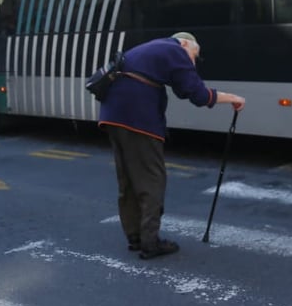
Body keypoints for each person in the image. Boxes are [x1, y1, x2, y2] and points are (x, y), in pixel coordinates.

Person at [98, 32, 245, 260]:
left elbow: (181, 88)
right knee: (152, 179)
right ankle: (150, 242)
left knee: (128, 178)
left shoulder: (156, 48)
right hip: (137, 117)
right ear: (185, 43)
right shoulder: (176, 50)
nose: (192, 62)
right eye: (194, 55)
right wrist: (233, 98)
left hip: (113, 114)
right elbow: (197, 94)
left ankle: (135, 236)